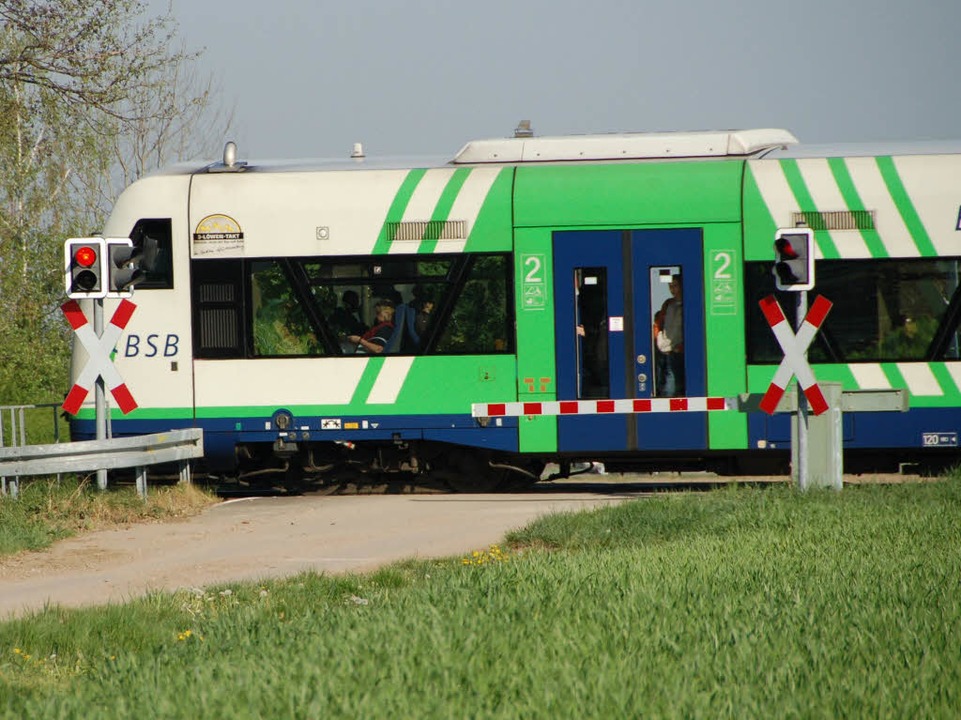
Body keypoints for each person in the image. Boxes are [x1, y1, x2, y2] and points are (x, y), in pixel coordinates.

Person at [654, 273, 684, 397]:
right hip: (664, 349)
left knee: (672, 384)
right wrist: (658, 339)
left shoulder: (688, 304)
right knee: (663, 380)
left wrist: (680, 348)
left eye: (675, 286)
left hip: (678, 350)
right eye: (670, 286)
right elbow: (658, 323)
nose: (672, 289)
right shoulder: (668, 304)